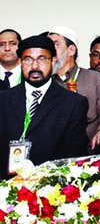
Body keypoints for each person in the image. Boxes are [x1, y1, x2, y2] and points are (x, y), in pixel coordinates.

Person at [0, 35, 88, 178]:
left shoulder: (73, 103)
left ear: (53, 60)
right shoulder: (3, 100)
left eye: (42, 59)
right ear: (20, 62)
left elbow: (71, 156)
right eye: (28, 60)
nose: (34, 66)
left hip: (49, 189)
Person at [47, 26, 100, 150]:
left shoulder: (95, 78)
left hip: (88, 150)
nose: (50, 49)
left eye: (55, 44)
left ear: (71, 50)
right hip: (51, 149)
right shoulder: (45, 81)